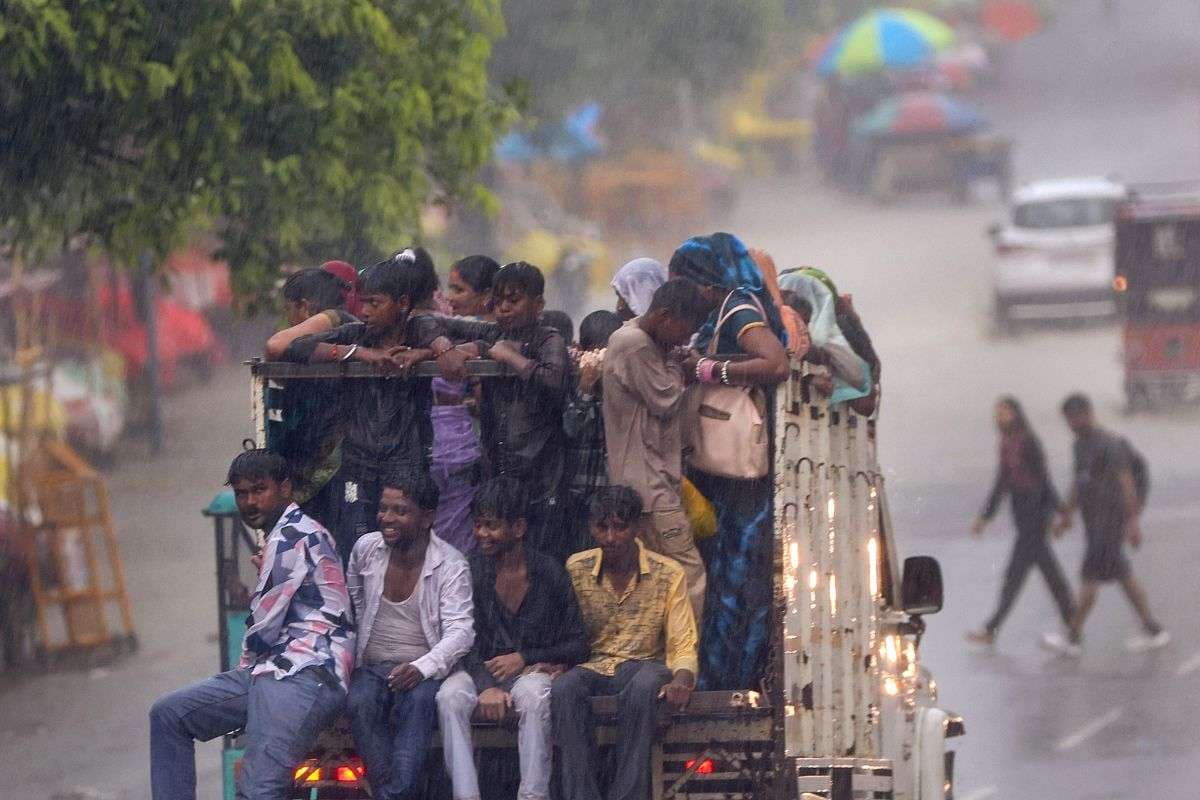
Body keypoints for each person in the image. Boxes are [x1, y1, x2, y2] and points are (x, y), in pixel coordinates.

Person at [150, 450, 353, 800]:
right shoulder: (282, 536)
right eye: (242, 493)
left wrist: (242, 673)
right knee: (169, 714)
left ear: (285, 488)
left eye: (260, 490)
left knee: (259, 792)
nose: (250, 501)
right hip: (271, 672)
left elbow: (263, 629)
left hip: (305, 672)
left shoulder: (291, 538)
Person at [669, 233, 789, 691]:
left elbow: (775, 363)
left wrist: (709, 370)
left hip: (740, 485)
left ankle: (727, 680)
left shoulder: (737, 307)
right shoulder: (727, 308)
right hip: (723, 479)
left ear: (703, 280)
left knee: (736, 587)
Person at [283, 249, 455, 561]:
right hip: (357, 469)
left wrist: (426, 354)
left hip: (405, 467)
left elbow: (476, 336)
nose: (365, 311)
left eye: (374, 303)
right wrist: (360, 355)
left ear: (402, 304)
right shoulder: (355, 336)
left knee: (407, 552)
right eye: (362, 302)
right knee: (355, 551)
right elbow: (297, 347)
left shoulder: (422, 332)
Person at [436, 477, 589, 800]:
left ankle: (533, 795)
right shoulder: (470, 571)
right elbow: (458, 637)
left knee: (534, 697)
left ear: (518, 528)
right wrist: (485, 684)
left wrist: (526, 658)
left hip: (530, 675)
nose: (481, 534)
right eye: (478, 525)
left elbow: (578, 643)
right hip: (479, 672)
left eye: (491, 526)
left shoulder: (549, 573)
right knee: (449, 697)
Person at [552, 486, 697, 800]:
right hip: (593, 666)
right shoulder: (576, 568)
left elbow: (682, 643)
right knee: (564, 688)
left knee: (645, 685)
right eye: (602, 527)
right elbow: (566, 633)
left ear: (637, 528)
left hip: (643, 666)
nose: (610, 537)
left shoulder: (668, 573)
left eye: (620, 527)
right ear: (591, 528)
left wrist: (682, 679)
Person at [345, 474, 474, 800]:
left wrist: (422, 667)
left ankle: (392, 794)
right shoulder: (366, 550)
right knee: (358, 703)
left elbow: (461, 632)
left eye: (400, 511)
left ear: (427, 518)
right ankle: (396, 794)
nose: (387, 518)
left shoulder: (451, 565)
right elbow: (352, 604)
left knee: (417, 707)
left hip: (421, 670)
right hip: (372, 667)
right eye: (384, 508)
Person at [437, 262, 571, 560]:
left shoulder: (549, 339)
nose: (504, 309)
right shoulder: (493, 334)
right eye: (498, 302)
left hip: (542, 476)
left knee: (540, 557)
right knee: (497, 556)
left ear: (538, 304)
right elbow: (439, 324)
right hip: (499, 472)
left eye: (513, 300)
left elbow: (554, 379)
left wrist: (511, 358)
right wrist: (443, 348)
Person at [603, 279, 711, 621]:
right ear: (665, 317)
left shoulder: (642, 340)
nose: (684, 341)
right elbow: (665, 399)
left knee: (654, 578)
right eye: (684, 331)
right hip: (650, 485)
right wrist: (685, 369)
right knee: (688, 573)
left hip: (650, 480)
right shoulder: (634, 344)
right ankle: (686, 662)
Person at [1042, 393, 1169, 656]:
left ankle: (1073, 638)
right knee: (1122, 577)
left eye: (1076, 417)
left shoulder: (1109, 444)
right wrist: (1066, 516)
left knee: (1090, 578)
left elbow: (1127, 483)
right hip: (1095, 523)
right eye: (1068, 420)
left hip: (1110, 522)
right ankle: (1154, 630)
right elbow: (1079, 483)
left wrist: (1133, 523)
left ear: (1088, 413)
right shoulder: (1079, 446)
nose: (1072, 424)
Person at [966, 397, 1075, 646]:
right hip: (1023, 514)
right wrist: (985, 517)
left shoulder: (1028, 442)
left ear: (1017, 414)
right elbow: (1001, 483)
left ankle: (991, 629)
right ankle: (1072, 623)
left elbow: (1044, 479)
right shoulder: (1006, 444)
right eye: (998, 412)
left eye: (1005, 412)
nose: (1000, 416)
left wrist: (1061, 512)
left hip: (1035, 514)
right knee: (1048, 574)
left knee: (1016, 575)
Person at [263, 268, 359, 528]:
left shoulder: (335, 319)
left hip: (334, 463)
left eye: (289, 310)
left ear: (305, 307)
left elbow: (275, 346)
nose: (288, 318)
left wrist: (323, 317)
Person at [430, 255, 501, 556]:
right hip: (453, 447)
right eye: (449, 289)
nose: (450, 297)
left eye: (459, 290)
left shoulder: (487, 336)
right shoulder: (445, 332)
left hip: (465, 448)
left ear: (486, 297)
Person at [562, 310, 622, 552]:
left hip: (613, 491)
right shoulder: (572, 382)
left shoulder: (622, 383)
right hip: (579, 493)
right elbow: (571, 428)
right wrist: (585, 387)